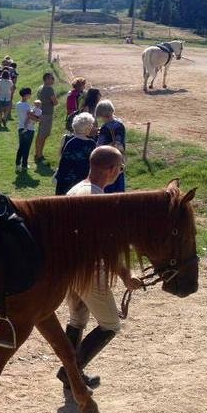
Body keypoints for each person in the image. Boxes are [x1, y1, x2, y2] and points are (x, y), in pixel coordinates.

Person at [56, 145, 142, 390]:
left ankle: (71, 376)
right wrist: (127, 275)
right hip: (90, 272)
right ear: (113, 170)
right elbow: (106, 247)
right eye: (121, 168)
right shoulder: (96, 199)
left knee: (77, 319)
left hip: (70, 269)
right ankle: (69, 373)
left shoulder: (77, 190)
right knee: (111, 324)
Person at [54, 113, 98, 195]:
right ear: (87, 128)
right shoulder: (90, 144)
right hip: (80, 181)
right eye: (91, 125)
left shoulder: (67, 139)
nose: (92, 127)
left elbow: (61, 156)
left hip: (64, 176)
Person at [95, 100, 126, 193]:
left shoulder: (105, 128)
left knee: (108, 188)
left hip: (107, 161)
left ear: (100, 114)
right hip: (119, 159)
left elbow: (99, 146)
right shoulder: (120, 124)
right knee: (119, 186)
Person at [34, 72, 59, 162]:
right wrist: (52, 102)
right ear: (47, 79)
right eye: (52, 78)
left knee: (40, 135)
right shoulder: (49, 89)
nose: (53, 80)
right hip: (47, 114)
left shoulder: (41, 87)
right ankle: (39, 155)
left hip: (41, 113)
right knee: (43, 135)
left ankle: (38, 153)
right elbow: (55, 102)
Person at [15, 88, 38, 172]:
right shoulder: (26, 105)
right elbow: (30, 116)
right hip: (29, 129)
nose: (30, 95)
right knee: (26, 148)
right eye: (29, 94)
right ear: (26, 95)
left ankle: (17, 164)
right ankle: (24, 165)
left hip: (20, 127)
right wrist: (38, 119)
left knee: (21, 147)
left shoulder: (18, 104)